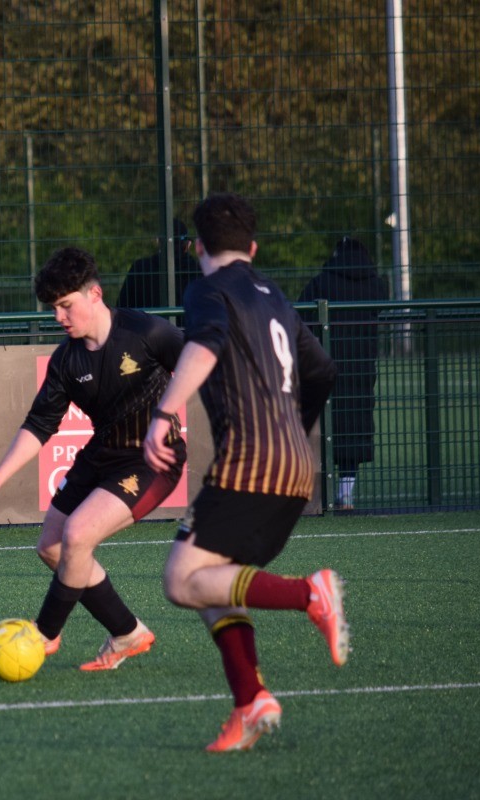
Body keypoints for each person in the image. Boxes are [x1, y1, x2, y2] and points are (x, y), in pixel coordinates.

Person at [143, 193, 346, 752]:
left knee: (180, 580)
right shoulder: (274, 295)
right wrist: (293, 431)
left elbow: (206, 344)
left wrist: (164, 413)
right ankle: (250, 702)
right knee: (214, 577)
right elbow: (322, 371)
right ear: (252, 249)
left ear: (197, 248)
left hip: (251, 463)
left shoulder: (207, 289)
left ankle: (309, 593)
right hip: (296, 466)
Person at [0, 247, 187, 671]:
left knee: (79, 534)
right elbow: (39, 426)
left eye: (66, 305)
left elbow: (203, 364)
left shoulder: (147, 332)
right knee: (52, 546)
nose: (59, 317)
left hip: (151, 460)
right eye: (53, 308)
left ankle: (44, 633)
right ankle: (128, 633)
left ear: (95, 294)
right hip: (100, 455)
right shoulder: (66, 360)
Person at [298, 237, 388, 510]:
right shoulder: (375, 284)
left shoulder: (322, 282)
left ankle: (316, 495)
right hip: (362, 365)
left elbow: (302, 314)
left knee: (324, 423)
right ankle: (345, 493)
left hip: (326, 363)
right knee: (355, 425)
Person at [117, 218, 202, 309]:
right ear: (188, 244)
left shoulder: (140, 268)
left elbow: (122, 306)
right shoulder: (199, 271)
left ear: (158, 241)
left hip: (148, 318)